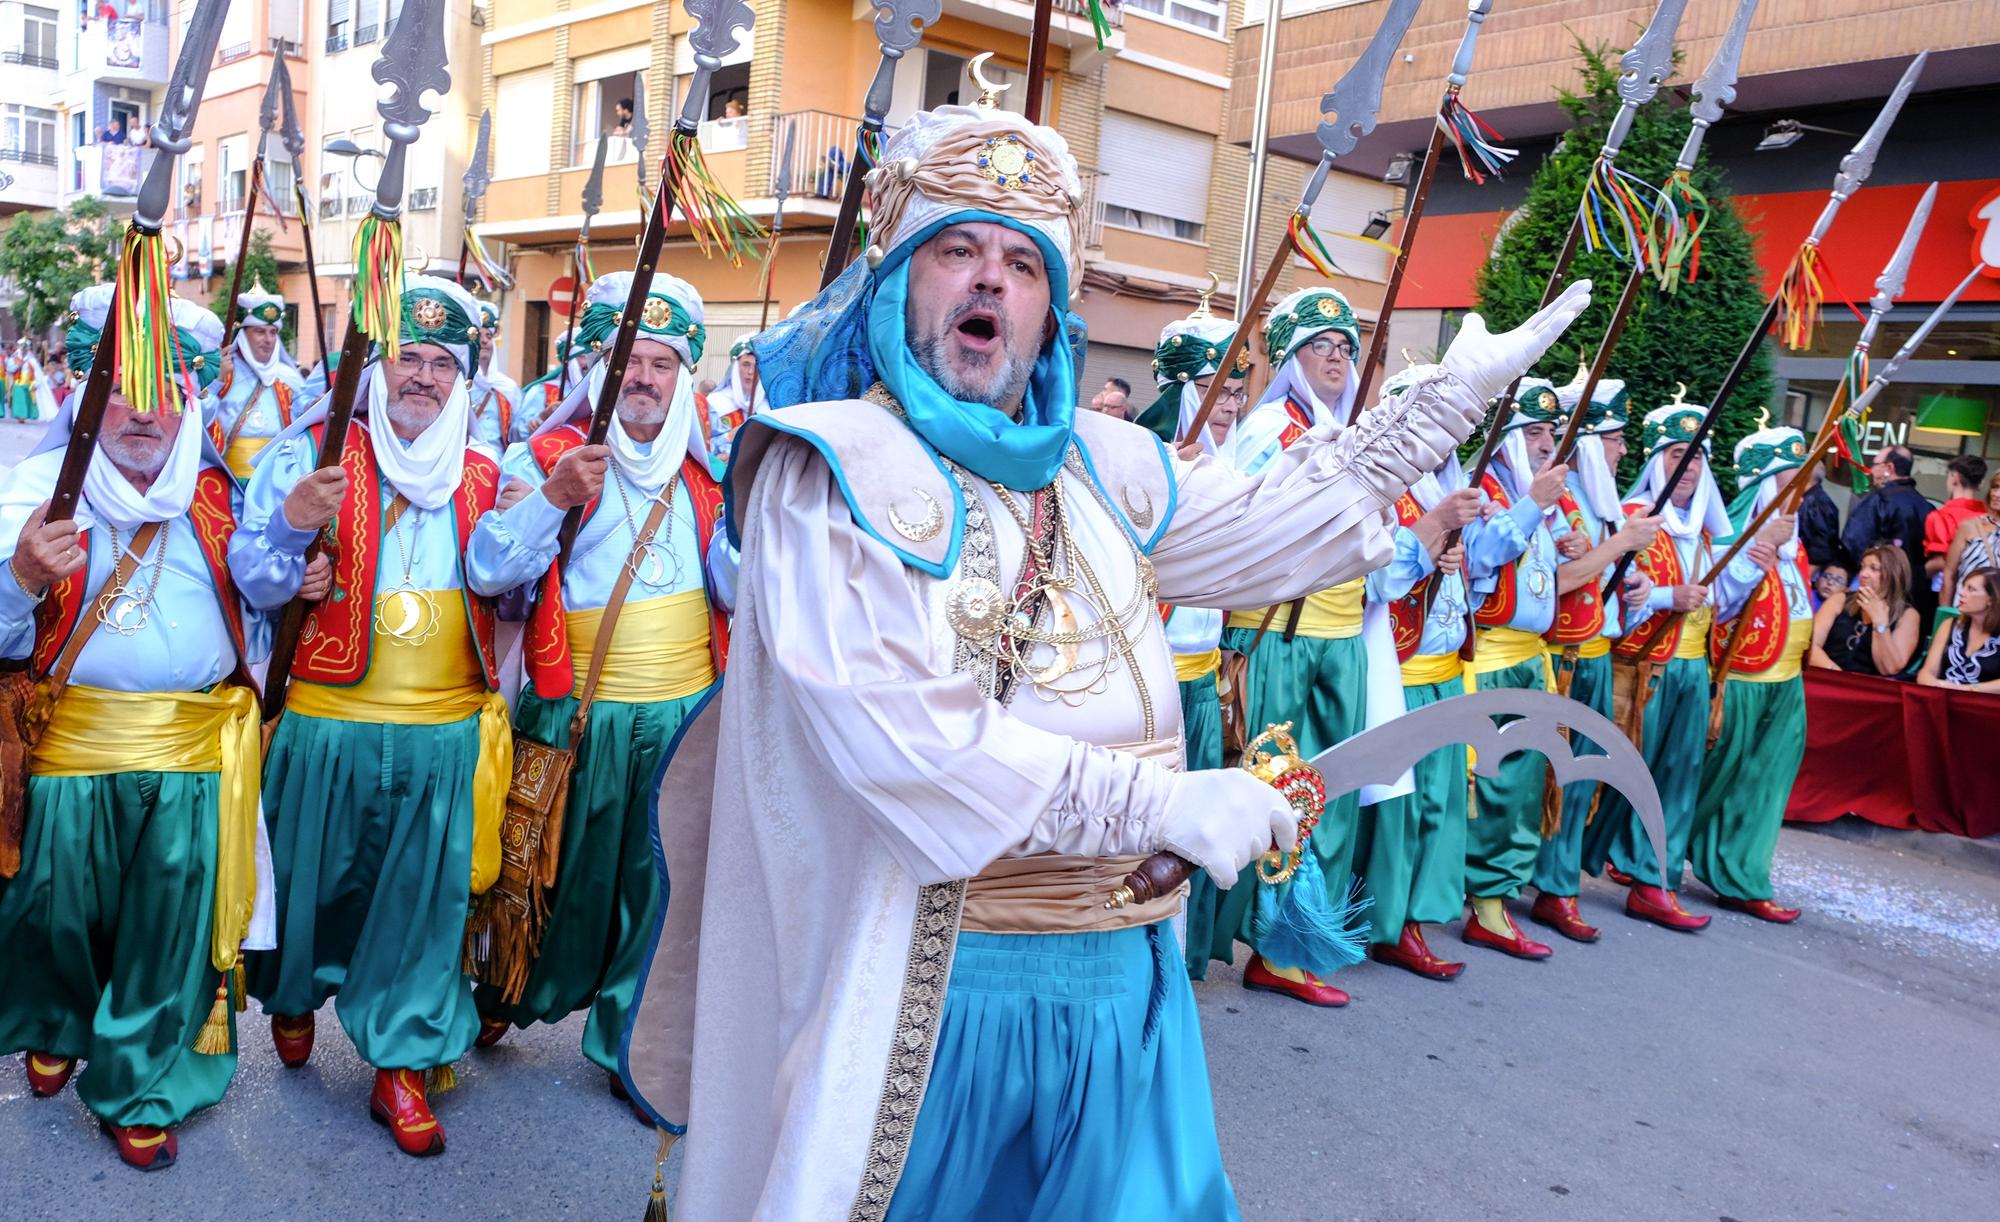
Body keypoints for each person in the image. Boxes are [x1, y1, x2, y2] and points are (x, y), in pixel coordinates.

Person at [631, 89, 1593, 1218]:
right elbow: (898, 736)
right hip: (937, 994)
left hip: (1131, 984)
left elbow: (1266, 531)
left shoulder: (1102, 465)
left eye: (1022, 264)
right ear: (899, 281)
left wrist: (1443, 403)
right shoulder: (826, 468)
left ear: (1049, 311)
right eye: (955, 251)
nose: (990, 280)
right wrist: (1160, 808)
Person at [234, 275, 511, 1159]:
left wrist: (544, 510)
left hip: (442, 730)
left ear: (462, 377)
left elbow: (506, 580)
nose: (422, 377)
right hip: (325, 720)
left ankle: (403, 1061)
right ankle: (290, 996)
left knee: (424, 908)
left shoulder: (487, 471)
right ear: (376, 366)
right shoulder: (310, 450)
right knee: (316, 883)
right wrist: (289, 543)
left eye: (440, 362)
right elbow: (252, 571)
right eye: (406, 357)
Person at [0, 286, 262, 1171]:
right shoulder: (35, 491)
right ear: (82, 390)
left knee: (165, 927)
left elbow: (259, 616)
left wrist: (288, 581)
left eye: (161, 389)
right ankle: (65, 1018)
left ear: (189, 394)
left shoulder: (220, 495)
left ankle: (140, 1083)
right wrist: (21, 579)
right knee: (61, 916)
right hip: (70, 749)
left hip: (190, 754)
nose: (140, 412)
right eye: (119, 388)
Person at [463, 272, 729, 1095]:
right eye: (627, 360)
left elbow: (731, 592)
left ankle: (629, 1040)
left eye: (660, 361)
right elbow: (487, 569)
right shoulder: (545, 454)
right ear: (596, 369)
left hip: (686, 712)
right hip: (577, 706)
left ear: (684, 375)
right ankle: (513, 985)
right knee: (552, 869)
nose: (643, 377)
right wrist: (550, 498)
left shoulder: (706, 474)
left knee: (661, 886)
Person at [1211, 285, 1396, 1007]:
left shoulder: (1351, 431)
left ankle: (1304, 934)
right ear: (1291, 357)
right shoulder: (1268, 430)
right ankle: (1274, 947)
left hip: (1342, 636)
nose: (1337, 358)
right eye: (1322, 346)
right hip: (1281, 636)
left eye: (1346, 347)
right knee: (1284, 794)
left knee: (1332, 794)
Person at [1582, 399, 1764, 933]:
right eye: (1677, 456)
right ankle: (1601, 865)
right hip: (1644, 672)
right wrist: (1666, 596)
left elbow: (1719, 604)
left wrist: (1750, 570)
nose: (1688, 471)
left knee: (1678, 779)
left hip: (1691, 670)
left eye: (1698, 459)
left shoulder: (1706, 535)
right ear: (1656, 459)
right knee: (1623, 778)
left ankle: (1651, 878)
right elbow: (1614, 596)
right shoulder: (1634, 520)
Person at [1354, 368, 1487, 980]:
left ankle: (1415, 916)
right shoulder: (1388, 485)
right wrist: (1429, 540)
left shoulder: (1452, 481)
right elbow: (1375, 570)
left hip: (1445, 667)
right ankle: (1388, 922)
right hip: (1400, 667)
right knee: (1397, 806)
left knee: (1439, 804)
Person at [1530, 372, 1659, 944]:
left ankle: (1554, 883)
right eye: (1614, 437)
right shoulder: (1558, 497)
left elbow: (1598, 571)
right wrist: (1617, 548)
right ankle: (1548, 888)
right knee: (1552, 779)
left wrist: (1633, 580)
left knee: (1582, 780)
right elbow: (1558, 582)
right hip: (1563, 657)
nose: (1623, 449)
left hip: (1595, 650)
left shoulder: (1598, 500)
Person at [1145, 308, 1248, 979]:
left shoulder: (1234, 462)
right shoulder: (1143, 454)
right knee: (1152, 824)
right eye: (1215, 388)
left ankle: (1186, 957)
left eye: (1238, 391)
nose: (1229, 405)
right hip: (1151, 674)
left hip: (1205, 674)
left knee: (1203, 822)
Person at [1457, 379, 1573, 960]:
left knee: (1524, 787)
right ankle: (1483, 902)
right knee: (1491, 787)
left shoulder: (1533, 494)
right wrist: (1533, 505)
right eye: (1533, 431)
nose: (1546, 442)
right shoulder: (1485, 487)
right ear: (1506, 437)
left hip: (1531, 660)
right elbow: (1479, 555)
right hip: (1492, 660)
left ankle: (1498, 895)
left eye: (1550, 431)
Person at [1689, 425, 1814, 925]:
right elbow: (1713, 606)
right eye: (1790, 480)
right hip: (1742, 681)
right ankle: (1644, 844)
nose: (1800, 493)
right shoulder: (1730, 534)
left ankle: (1742, 876)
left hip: (1786, 681)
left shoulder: (1796, 543)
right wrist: (1753, 553)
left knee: (1764, 785)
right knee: (1714, 779)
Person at [206, 280, 306, 481]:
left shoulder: (288, 378)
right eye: (260, 331)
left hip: (275, 481)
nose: (268, 340)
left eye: (273, 332)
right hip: (226, 480)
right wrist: (216, 382)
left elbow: (305, 421)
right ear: (243, 334)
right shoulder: (223, 372)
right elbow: (199, 421)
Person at [1841, 443, 1934, 623]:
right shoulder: (1927, 506)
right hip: (1912, 594)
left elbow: (1852, 542)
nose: (1870, 470)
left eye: (1875, 464)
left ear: (1889, 468)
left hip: (1874, 591)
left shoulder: (1879, 499)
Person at [1810, 543, 1919, 676]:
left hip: (1867, 691)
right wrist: (1836, 673)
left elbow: (1889, 668)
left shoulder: (1908, 616)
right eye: (1863, 567)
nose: (1863, 574)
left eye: (1873, 568)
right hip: (1828, 677)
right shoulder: (1839, 599)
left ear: (1893, 574)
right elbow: (1810, 645)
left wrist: (1880, 622)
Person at [1918, 567, 2000, 691]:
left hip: (1985, 706)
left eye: (1971, 589)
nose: (1961, 593)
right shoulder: (1949, 625)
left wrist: (1968, 689)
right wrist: (1935, 684)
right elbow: (1927, 672)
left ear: (1991, 599)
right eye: (1964, 587)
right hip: (1944, 698)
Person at [1925, 455, 1988, 587]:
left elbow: (1941, 561)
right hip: (1981, 589)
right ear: (1981, 483)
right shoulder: (1988, 517)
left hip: (1944, 590)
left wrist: (1916, 574)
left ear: (1955, 478)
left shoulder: (1941, 516)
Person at [1939, 473, 1999, 609]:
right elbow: (1949, 573)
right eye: (1995, 487)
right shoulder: (1970, 526)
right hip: (1963, 612)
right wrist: (1945, 613)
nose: (1996, 494)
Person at [470, 300, 522, 454]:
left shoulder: (508, 387)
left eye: (489, 335)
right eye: (478, 335)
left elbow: (517, 433)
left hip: (495, 464)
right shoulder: (455, 382)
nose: (484, 340)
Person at [705, 339, 765, 461]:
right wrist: (729, 437)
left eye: (757, 366)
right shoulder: (715, 403)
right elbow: (702, 445)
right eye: (746, 364)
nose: (751, 372)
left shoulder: (767, 407)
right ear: (735, 367)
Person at [1797, 460, 1842, 577]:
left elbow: (1820, 549)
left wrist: (1803, 579)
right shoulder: (1809, 499)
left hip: (1805, 572)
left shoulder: (1816, 503)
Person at [5, 338, 54, 421]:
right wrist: (18, 365)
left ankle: (29, 414)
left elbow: (37, 373)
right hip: (18, 381)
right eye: (22, 347)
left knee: (29, 400)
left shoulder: (32, 360)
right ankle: (21, 416)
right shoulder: (14, 359)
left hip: (29, 382)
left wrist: (37, 382)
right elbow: (9, 369)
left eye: (25, 348)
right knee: (19, 399)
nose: (23, 350)